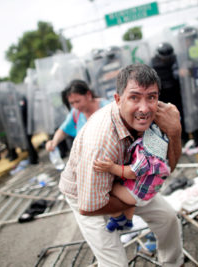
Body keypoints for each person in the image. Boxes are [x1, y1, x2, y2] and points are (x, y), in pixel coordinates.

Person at [58, 63, 184, 266]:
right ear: (118, 100)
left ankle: (172, 263)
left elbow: (164, 169)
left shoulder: (159, 116)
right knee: (115, 263)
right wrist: (137, 200)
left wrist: (175, 132)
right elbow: (89, 208)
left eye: (151, 97)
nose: (144, 108)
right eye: (134, 97)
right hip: (87, 195)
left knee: (168, 219)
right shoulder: (100, 142)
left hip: (128, 183)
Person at [93, 122, 170, 232]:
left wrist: (112, 167)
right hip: (148, 192)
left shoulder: (144, 150)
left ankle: (117, 218)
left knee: (106, 191)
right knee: (129, 201)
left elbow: (133, 172)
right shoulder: (159, 142)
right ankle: (128, 221)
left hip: (136, 194)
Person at [45, 79, 110, 154]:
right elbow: (63, 130)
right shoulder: (76, 113)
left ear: (88, 95)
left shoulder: (107, 108)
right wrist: (53, 142)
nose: (76, 106)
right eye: (72, 103)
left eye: (78, 101)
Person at [151, 42, 188, 142]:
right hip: (162, 94)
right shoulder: (153, 63)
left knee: (180, 114)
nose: (166, 60)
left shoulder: (175, 59)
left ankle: (184, 136)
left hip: (175, 92)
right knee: (164, 118)